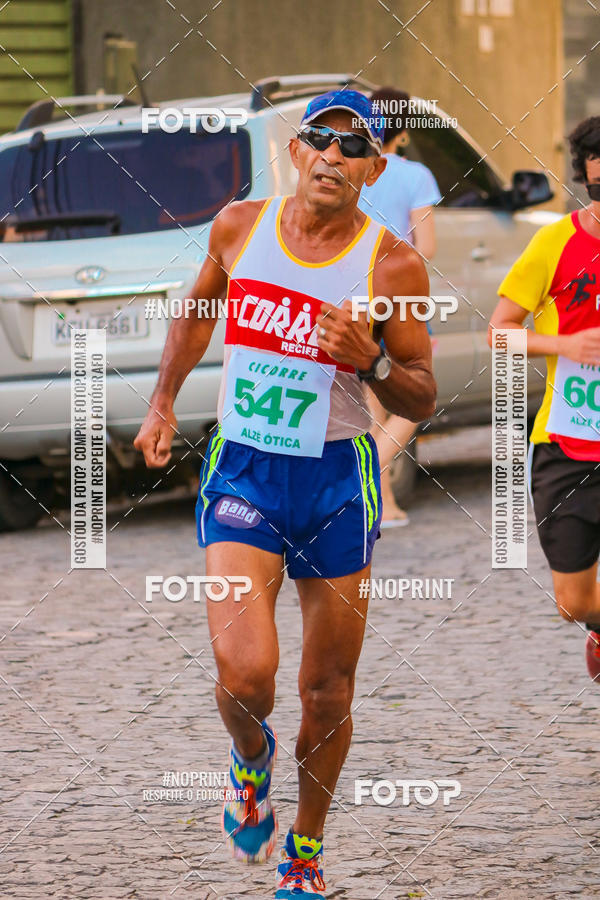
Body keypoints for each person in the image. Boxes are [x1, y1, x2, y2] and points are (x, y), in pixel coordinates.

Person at [134, 89, 435, 898]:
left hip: (338, 479)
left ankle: (305, 849)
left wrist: (369, 361)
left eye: (353, 148)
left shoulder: (392, 263)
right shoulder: (240, 226)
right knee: (245, 675)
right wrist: (164, 399)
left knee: (326, 688)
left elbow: (422, 394)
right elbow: (199, 309)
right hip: (246, 472)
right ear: (297, 153)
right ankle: (249, 757)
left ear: (374, 170)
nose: (333, 156)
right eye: (320, 141)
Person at [489, 115, 600, 683]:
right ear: (587, 173)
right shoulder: (553, 242)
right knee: (573, 603)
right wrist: (565, 343)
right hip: (567, 444)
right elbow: (500, 332)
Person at [359, 88, 441, 526]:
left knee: (372, 403)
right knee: (416, 397)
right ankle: (368, 472)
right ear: (404, 131)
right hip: (400, 299)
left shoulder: (354, 169)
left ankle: (383, 505)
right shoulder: (416, 176)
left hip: (353, 296)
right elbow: (424, 247)